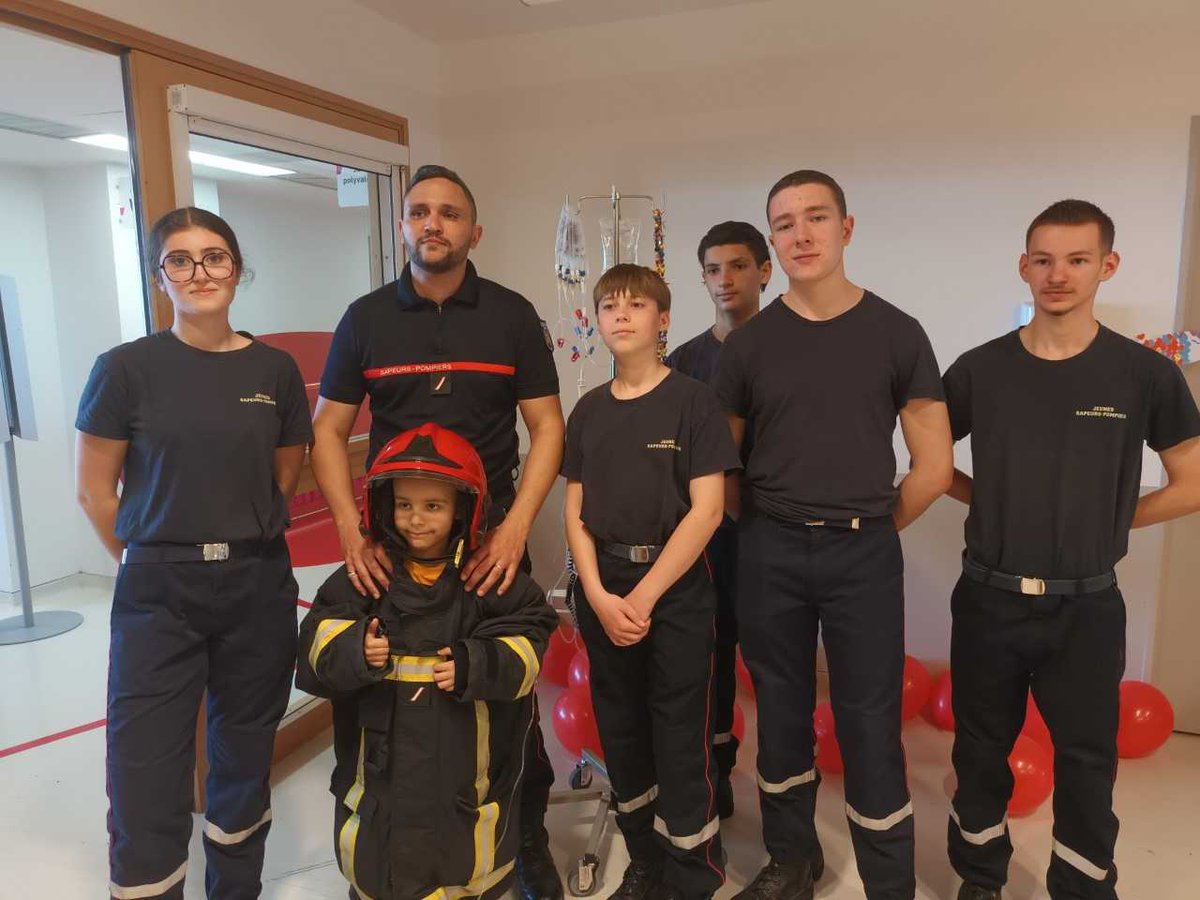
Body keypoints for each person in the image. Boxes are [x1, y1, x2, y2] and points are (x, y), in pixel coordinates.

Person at [311, 165, 566, 900]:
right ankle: (390, 841)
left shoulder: (512, 315)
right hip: (399, 540)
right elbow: (328, 430)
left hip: (492, 544)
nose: (433, 224)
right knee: (393, 693)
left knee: (503, 691)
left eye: (449, 213)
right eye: (419, 211)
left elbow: (546, 427)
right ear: (402, 227)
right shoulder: (365, 319)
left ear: (473, 231)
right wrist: (351, 533)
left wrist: (516, 529)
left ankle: (524, 840)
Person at [943, 199, 1200, 900]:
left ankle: (1084, 886)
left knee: (1087, 761)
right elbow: (931, 463)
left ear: (1106, 266)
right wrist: (990, 502)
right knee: (979, 751)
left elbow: (1193, 481)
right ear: (1024, 266)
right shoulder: (978, 371)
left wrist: (1111, 519)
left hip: (1086, 608)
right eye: (1044, 259)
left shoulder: (1144, 376)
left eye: (1078, 259)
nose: (1059, 274)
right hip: (989, 599)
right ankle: (980, 880)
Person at [715, 170, 953, 900]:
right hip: (770, 550)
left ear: (846, 229)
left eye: (816, 218)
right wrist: (770, 528)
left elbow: (934, 465)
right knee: (781, 711)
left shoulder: (896, 332)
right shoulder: (749, 347)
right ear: (772, 244)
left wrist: (869, 527)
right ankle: (792, 860)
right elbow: (722, 470)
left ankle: (888, 881)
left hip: (863, 554)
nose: (801, 234)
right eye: (784, 224)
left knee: (870, 717)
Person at [75, 207, 312, 899]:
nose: (199, 271)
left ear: (238, 270)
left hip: (256, 584)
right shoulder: (124, 370)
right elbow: (95, 493)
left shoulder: (275, 369)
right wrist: (157, 552)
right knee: (145, 764)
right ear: (160, 277)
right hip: (158, 593)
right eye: (180, 259)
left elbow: (284, 477)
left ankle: (236, 889)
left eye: (215, 257)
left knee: (242, 756)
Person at [297, 422, 558, 900]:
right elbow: (315, 642)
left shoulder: (489, 581)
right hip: (381, 799)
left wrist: (476, 663)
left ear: (464, 507)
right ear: (383, 505)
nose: (415, 520)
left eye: (433, 506)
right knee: (381, 871)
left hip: (463, 795)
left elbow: (530, 642)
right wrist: (355, 648)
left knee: (461, 870)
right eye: (404, 505)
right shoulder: (365, 579)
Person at [563, 264, 739, 900]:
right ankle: (646, 859)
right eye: (609, 305)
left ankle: (694, 873)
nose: (621, 315)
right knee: (623, 729)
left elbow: (708, 510)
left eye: (636, 305)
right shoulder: (587, 411)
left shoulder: (693, 401)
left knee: (678, 731)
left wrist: (642, 596)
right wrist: (600, 595)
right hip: (603, 587)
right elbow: (574, 514)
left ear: (663, 320)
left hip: (674, 588)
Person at [665, 220, 772, 816]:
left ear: (765, 271)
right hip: (706, 538)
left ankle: (786, 788)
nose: (725, 279)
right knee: (709, 659)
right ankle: (715, 772)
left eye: (738, 265)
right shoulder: (685, 362)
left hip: (778, 535)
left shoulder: (793, 349)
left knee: (774, 661)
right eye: (713, 268)